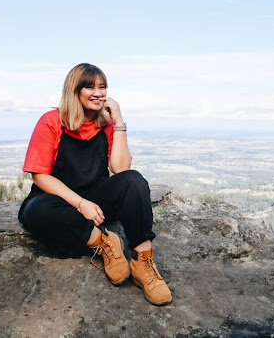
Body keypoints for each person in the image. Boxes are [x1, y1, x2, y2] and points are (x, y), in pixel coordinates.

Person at [18, 63, 172, 306]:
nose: (98, 92)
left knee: (134, 181)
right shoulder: (51, 121)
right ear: (74, 90)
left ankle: (142, 261)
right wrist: (81, 204)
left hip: (97, 198)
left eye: (102, 87)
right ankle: (102, 241)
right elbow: (40, 176)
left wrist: (119, 122)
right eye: (89, 87)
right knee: (37, 211)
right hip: (58, 200)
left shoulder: (107, 124)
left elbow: (121, 169)